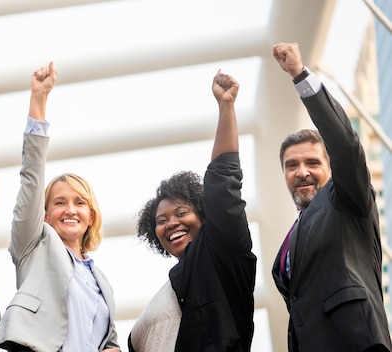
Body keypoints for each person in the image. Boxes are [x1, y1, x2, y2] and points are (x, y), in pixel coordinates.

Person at [0, 62, 120, 352]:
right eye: (60, 202)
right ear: (45, 215)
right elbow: (32, 180)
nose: (70, 209)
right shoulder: (34, 246)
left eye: (79, 202)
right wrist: (39, 99)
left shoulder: (101, 280)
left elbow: (109, 340)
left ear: (91, 216)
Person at [270, 42, 392, 352]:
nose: (302, 172)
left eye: (313, 162)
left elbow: (346, 145)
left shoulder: (347, 199)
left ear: (330, 167)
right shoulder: (291, 238)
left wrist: (300, 75)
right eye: (291, 165)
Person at [128, 71, 257, 351]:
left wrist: (226, 107)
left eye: (181, 212)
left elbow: (224, 182)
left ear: (203, 215)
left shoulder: (222, 256)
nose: (171, 223)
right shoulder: (171, 286)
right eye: (161, 220)